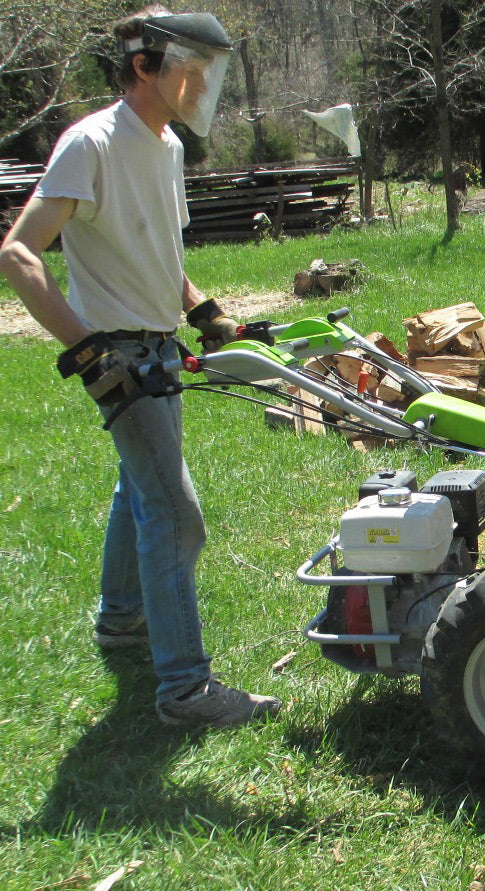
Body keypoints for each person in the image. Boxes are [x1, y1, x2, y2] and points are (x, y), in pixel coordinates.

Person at [0, 7, 280, 728]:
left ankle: (121, 619)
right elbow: (19, 254)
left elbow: (160, 250)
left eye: (208, 72)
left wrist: (203, 308)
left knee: (140, 487)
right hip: (118, 353)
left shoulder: (167, 149)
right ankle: (185, 688)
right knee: (176, 514)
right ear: (145, 65)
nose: (201, 84)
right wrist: (86, 349)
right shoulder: (91, 143)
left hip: (158, 345)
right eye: (192, 68)